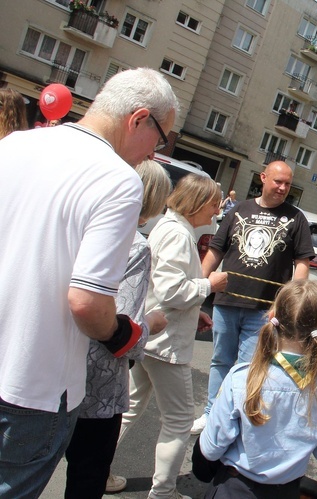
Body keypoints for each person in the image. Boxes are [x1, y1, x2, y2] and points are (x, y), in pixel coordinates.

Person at [0, 67, 178, 498]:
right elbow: (86, 302)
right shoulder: (118, 180)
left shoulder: (15, 145)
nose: (154, 153)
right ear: (138, 119)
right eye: (160, 138)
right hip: (34, 386)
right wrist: (123, 333)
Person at [113, 174, 228, 499]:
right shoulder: (178, 234)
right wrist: (210, 286)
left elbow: (165, 289)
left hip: (152, 337)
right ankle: (162, 492)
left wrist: (196, 313)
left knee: (130, 407)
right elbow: (171, 290)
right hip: (165, 346)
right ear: (199, 203)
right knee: (178, 421)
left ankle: (100, 470)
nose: (217, 211)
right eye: (214, 204)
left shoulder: (169, 226)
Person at [64, 159, 172, 499]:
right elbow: (120, 326)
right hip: (95, 382)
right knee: (87, 473)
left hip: (50, 363)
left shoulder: (76, 222)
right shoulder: (136, 245)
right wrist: (152, 323)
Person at [191, 161, 315, 435]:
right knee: (221, 362)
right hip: (227, 302)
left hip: (264, 310)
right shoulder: (240, 209)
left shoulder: (296, 218)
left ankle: (235, 419)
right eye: (278, 181)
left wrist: (286, 305)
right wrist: (198, 285)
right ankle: (212, 415)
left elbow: (302, 264)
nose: (283, 188)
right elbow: (215, 251)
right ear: (263, 178)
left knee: (250, 368)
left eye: (287, 184)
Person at [197, 279, 317, 498]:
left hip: (234, 488)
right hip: (285, 492)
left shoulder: (242, 378)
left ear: (271, 315)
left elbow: (211, 448)